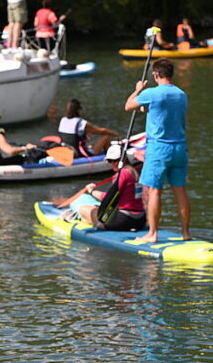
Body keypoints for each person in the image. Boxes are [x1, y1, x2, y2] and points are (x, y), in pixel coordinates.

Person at [125, 58, 191, 243]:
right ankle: (186, 233)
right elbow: (163, 111)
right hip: (179, 148)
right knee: (180, 191)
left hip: (159, 149)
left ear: (156, 74)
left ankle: (152, 234)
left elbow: (128, 106)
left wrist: (138, 89)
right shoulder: (182, 94)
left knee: (154, 192)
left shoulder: (151, 93)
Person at [69, 144, 146, 231]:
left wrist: (92, 191)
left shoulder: (123, 173)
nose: (113, 163)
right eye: (110, 161)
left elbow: (108, 197)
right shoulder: (133, 171)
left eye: (116, 160)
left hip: (124, 220)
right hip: (140, 219)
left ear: (123, 159)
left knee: (83, 209)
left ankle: (87, 222)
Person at [46, 99, 118, 158]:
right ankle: (112, 158)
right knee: (105, 137)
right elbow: (102, 131)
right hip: (79, 153)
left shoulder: (63, 120)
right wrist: (116, 134)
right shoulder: (81, 122)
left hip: (67, 150)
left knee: (92, 143)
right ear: (78, 110)